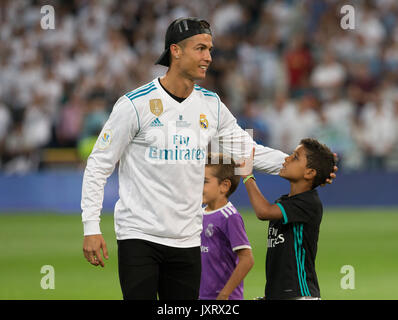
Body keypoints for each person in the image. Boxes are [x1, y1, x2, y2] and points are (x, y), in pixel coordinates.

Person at [81, 17, 336, 300]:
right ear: (175, 51)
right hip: (140, 235)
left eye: (210, 49)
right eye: (201, 49)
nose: (209, 57)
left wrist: (301, 167)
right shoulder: (135, 104)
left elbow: (247, 150)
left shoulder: (211, 105)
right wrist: (91, 227)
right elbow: (98, 164)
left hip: (189, 238)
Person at [240, 138, 336, 300]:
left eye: (295, 157)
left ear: (310, 173)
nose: (287, 159)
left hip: (300, 293)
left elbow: (263, 212)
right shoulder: (285, 202)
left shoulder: (309, 202)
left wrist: (247, 177)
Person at [200, 153, 254, 300]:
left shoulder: (230, 216)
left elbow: (247, 259)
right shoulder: (198, 213)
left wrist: (224, 294)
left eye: (204, 181)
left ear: (224, 186)